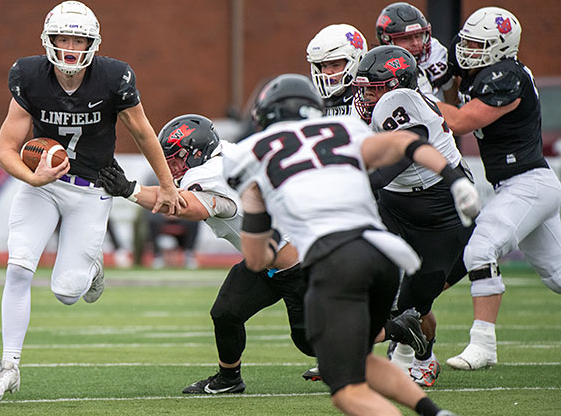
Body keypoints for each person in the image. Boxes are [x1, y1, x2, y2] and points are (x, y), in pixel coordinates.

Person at [222, 73, 477, 416]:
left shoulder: (250, 154)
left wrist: (271, 249)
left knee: (344, 389)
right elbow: (404, 144)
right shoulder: (344, 129)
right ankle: (435, 413)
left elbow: (255, 259)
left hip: (334, 260)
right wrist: (453, 179)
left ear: (264, 115)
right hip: (383, 254)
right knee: (359, 360)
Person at [0, 0, 182, 400]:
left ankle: (92, 270)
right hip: (42, 186)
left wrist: (168, 184)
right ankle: (9, 367)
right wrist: (31, 177)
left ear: (93, 43)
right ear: (48, 40)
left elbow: (143, 132)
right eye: (63, 38)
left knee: (67, 292)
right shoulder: (29, 76)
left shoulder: (113, 77)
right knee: (19, 266)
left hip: (91, 189)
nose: (71, 47)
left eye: (79, 39)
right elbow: (5, 148)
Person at [96, 114, 314, 394]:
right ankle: (229, 379)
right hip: (263, 259)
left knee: (308, 341)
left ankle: (383, 333)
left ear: (197, 152)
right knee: (226, 313)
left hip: (297, 266)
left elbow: (186, 207)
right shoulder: (227, 154)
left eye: (176, 158)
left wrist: (129, 190)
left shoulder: (208, 174)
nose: (170, 166)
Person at [436, 7, 561, 370]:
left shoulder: (507, 75)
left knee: (480, 250)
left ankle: (483, 345)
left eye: (478, 44)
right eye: (467, 42)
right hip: (527, 185)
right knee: (558, 277)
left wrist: (415, 101)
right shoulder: (481, 71)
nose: (468, 50)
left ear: (501, 47)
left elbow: (460, 122)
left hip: (527, 184)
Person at [352, 45, 475, 386]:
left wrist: (357, 183)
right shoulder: (372, 106)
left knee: (410, 307)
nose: (366, 96)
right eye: (364, 88)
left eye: (374, 89)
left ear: (397, 85)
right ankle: (349, 355)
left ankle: (421, 354)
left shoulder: (400, 101)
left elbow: (404, 153)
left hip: (439, 210)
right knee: (364, 274)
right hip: (394, 202)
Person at [376, 2, 452, 102]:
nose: (415, 43)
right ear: (386, 41)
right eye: (405, 38)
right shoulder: (379, 68)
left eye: (418, 36)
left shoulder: (436, 52)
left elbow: (453, 99)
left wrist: (448, 80)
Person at [306, 24, 368, 116]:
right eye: (323, 65)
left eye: (335, 65)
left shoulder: (368, 98)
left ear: (357, 61)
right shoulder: (314, 102)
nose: (327, 72)